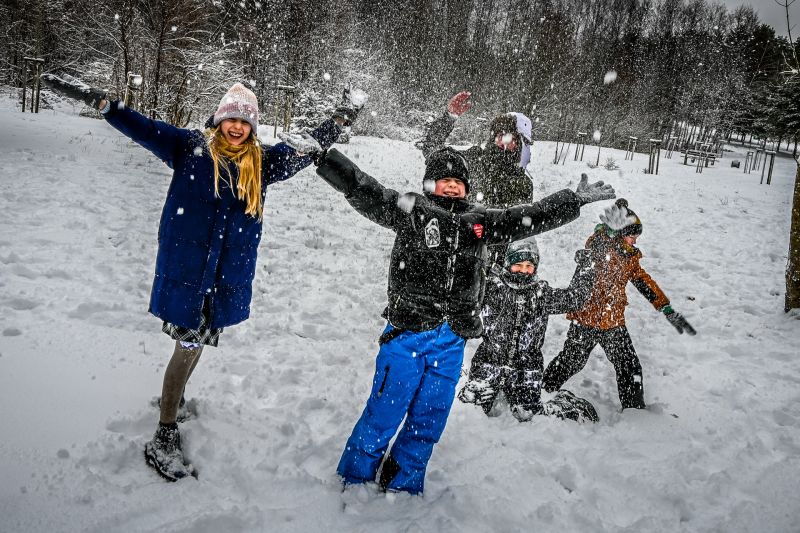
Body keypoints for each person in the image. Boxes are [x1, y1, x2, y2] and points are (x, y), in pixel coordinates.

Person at [41, 74, 362, 481]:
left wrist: (339, 120)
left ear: (253, 128)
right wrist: (107, 105)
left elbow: (304, 149)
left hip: (223, 278)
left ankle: (174, 402)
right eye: (232, 119)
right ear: (219, 118)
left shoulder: (260, 164)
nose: (237, 127)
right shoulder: (189, 148)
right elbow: (143, 127)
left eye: (246, 123)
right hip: (189, 275)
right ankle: (164, 430)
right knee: (187, 346)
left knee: (197, 344)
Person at [280, 129, 615, 493]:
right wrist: (324, 159)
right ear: (429, 185)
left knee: (430, 418)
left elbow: (530, 216)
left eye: (459, 182)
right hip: (407, 332)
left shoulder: (480, 222)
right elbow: (364, 189)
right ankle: (356, 476)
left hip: (451, 340)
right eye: (444, 181)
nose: (452, 187)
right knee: (385, 412)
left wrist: (573, 201)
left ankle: (404, 482)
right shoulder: (412, 212)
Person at [542, 199, 697, 410]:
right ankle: (541, 391)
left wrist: (665, 307)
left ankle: (634, 410)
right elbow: (596, 247)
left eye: (636, 238)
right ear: (620, 233)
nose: (635, 241)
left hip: (612, 322)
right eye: (632, 236)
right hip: (586, 319)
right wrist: (609, 235)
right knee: (571, 361)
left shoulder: (629, 257)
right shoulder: (599, 247)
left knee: (629, 366)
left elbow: (644, 282)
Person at [457, 237, 599, 423]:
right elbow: (465, 292)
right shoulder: (493, 288)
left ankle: (562, 402)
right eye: (518, 265)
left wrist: (586, 267)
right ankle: (474, 381)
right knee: (470, 407)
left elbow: (574, 299)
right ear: (508, 264)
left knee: (527, 414)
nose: (524, 271)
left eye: (529, 266)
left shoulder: (541, 293)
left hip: (527, 368)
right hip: (489, 362)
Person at [416, 90, 534, 208]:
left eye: (510, 138)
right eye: (499, 136)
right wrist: (448, 118)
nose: (503, 142)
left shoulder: (524, 185)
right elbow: (433, 150)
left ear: (522, 145)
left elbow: (518, 221)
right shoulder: (473, 158)